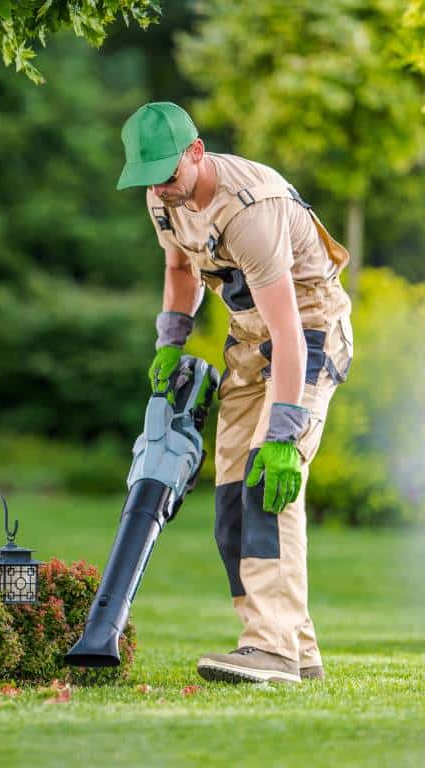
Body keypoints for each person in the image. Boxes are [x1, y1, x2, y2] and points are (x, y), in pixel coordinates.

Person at [117, 102, 354, 684]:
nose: (162, 190)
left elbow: (291, 332)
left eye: (169, 175)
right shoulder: (162, 195)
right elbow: (179, 270)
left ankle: (269, 648)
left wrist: (283, 432)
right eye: (149, 179)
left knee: (267, 482)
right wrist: (171, 340)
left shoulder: (252, 208)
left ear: (196, 152)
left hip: (307, 331)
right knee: (229, 500)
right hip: (247, 339)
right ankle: (297, 650)